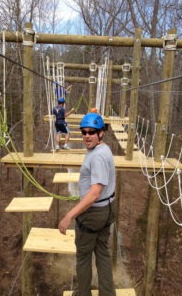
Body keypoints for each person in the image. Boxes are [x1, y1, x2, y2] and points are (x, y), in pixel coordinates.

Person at [58, 112, 116, 296]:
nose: (86, 136)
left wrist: (69, 216)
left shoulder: (97, 157)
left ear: (101, 133)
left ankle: (83, 294)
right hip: (107, 210)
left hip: (93, 213)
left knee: (83, 257)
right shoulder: (104, 149)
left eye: (91, 132)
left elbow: (94, 193)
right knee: (102, 253)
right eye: (83, 132)